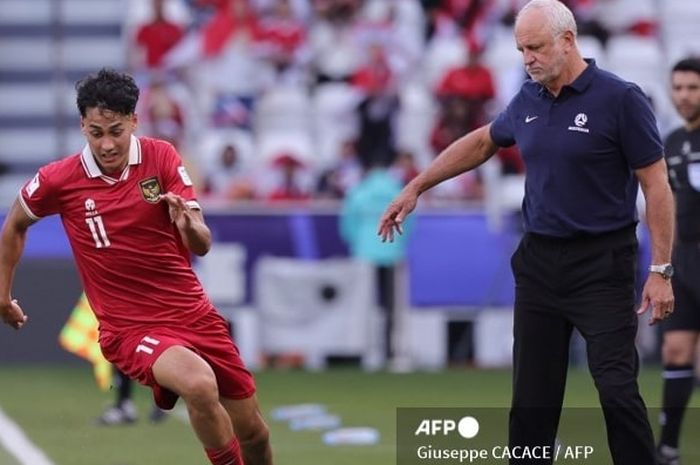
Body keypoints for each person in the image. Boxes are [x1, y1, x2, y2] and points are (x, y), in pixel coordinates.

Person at [378, 1, 675, 464]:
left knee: (617, 390)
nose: (527, 58)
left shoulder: (621, 98)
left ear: (568, 40)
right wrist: (416, 186)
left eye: (535, 47)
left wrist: (660, 268)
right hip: (539, 264)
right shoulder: (527, 98)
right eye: (521, 49)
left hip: (603, 264)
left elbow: (656, 184)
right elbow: (481, 142)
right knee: (532, 402)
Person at [0, 68, 273, 465]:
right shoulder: (59, 180)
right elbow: (14, 225)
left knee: (256, 435)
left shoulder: (160, 156)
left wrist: (188, 224)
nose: (107, 144)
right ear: (82, 126)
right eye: (96, 133)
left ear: (134, 120)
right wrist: (3, 295)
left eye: (116, 130)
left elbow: (203, 243)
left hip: (193, 313)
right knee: (198, 384)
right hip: (130, 327)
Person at [656, 57, 700, 465]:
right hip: (683, 265)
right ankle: (666, 448)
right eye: (679, 87)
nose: (684, 95)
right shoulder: (669, 143)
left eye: (693, 87)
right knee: (676, 352)